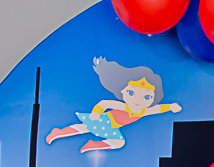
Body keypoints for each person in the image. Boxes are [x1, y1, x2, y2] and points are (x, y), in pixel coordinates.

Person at [46, 58, 181, 152]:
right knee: (84, 127)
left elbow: (158, 109)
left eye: (147, 97)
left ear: (152, 100)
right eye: (131, 93)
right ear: (122, 92)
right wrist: (96, 113)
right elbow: (104, 103)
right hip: (105, 120)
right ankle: (59, 132)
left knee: (119, 142)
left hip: (113, 127)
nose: (138, 100)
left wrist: (170, 107)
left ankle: (93, 145)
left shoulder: (144, 111)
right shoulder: (125, 107)